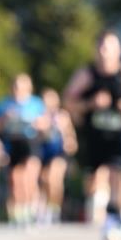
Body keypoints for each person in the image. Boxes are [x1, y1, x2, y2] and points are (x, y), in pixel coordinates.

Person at [63, 30, 121, 240]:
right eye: (101, 47)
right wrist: (90, 104)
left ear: (118, 50)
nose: (104, 52)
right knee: (97, 178)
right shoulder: (87, 74)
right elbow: (68, 101)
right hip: (95, 134)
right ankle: (107, 219)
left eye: (109, 47)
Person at [0, 73, 47, 225]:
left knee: (29, 176)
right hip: (13, 142)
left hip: (30, 142)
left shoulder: (36, 103)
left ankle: (33, 208)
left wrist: (38, 123)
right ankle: (20, 210)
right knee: (16, 179)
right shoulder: (5, 105)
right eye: (16, 86)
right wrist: (5, 118)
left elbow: (46, 125)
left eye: (22, 86)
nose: (19, 90)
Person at [38, 88, 77, 223]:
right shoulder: (39, 116)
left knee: (54, 179)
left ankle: (54, 209)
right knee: (44, 180)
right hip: (43, 151)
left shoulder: (62, 116)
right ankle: (44, 208)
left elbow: (70, 135)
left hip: (58, 151)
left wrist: (70, 142)